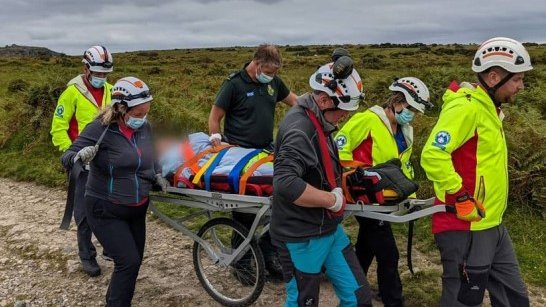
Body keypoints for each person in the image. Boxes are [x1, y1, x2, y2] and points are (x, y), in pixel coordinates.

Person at [421, 37, 532, 307]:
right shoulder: (466, 108)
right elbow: (433, 155)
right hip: (465, 224)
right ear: (494, 76)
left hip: (492, 221)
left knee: (514, 296)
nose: (521, 86)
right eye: (517, 79)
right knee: (462, 298)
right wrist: (459, 195)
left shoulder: (489, 108)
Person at [271, 56, 373, 306]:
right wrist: (331, 199)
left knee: (359, 298)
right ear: (324, 100)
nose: (344, 118)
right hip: (300, 236)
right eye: (343, 112)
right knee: (303, 301)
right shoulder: (299, 130)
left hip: (328, 229)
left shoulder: (319, 120)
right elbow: (285, 183)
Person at [61, 77, 169, 306]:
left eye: (146, 113)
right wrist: (80, 156)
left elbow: (152, 156)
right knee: (127, 262)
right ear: (120, 108)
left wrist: (158, 174)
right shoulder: (99, 129)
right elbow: (67, 157)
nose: (143, 119)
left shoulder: (145, 127)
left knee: (134, 262)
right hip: (105, 208)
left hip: (137, 208)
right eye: (138, 114)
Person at [335, 77, 433, 307]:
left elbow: (403, 167)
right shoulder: (367, 120)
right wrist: (358, 173)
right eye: (410, 109)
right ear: (397, 101)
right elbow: (340, 146)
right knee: (389, 255)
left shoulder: (404, 131)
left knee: (366, 248)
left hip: (386, 198)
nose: (413, 115)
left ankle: (352, 292)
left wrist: (409, 197)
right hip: (365, 196)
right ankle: (393, 301)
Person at [208, 43, 298, 281]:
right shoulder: (234, 84)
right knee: (245, 212)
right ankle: (242, 263)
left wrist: (317, 109)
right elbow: (215, 114)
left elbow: (293, 101)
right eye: (268, 71)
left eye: (274, 73)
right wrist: (216, 138)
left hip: (266, 152)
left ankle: (268, 253)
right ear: (257, 64)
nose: (272, 77)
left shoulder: (273, 84)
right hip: (240, 154)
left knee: (277, 206)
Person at [50, 45, 114, 277]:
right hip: (82, 162)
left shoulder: (111, 90)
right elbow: (58, 128)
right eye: (97, 73)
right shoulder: (71, 93)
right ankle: (86, 255)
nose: (101, 78)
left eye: (105, 74)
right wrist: (71, 155)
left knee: (110, 206)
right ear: (86, 69)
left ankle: (110, 246)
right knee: (84, 211)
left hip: (106, 161)